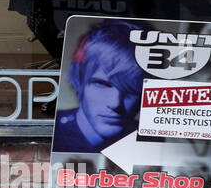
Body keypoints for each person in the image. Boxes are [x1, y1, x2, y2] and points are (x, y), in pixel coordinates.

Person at [52, 18, 144, 155]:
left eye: (131, 89)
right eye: (102, 84)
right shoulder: (51, 133)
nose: (115, 103)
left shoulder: (148, 139)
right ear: (79, 81)